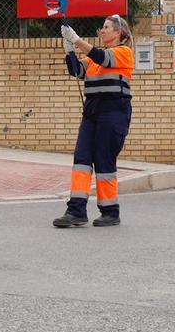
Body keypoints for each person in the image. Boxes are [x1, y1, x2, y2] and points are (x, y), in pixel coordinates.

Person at [52, 15, 135, 228]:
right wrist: (69, 49)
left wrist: (77, 39)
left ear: (119, 33)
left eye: (107, 27)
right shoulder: (94, 59)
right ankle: (76, 210)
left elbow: (102, 57)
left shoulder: (123, 53)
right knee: (81, 158)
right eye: (103, 27)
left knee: (104, 161)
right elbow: (77, 70)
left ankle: (110, 211)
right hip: (92, 112)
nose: (102, 30)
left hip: (114, 111)